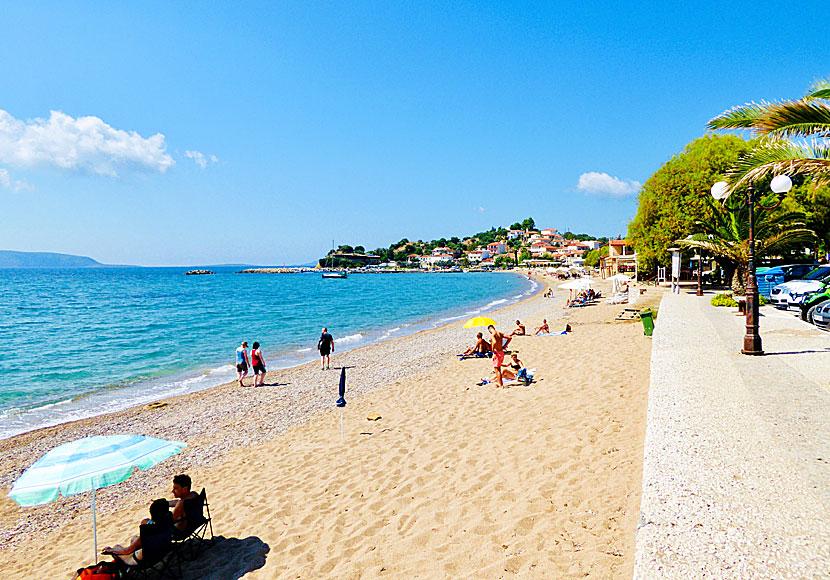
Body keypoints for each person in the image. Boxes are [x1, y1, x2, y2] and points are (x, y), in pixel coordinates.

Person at [102, 498, 172, 567]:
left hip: (146, 560)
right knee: (134, 539)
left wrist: (112, 550)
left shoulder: (149, 530)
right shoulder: (166, 522)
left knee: (116, 547)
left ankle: (125, 574)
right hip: (162, 551)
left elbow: (127, 551)